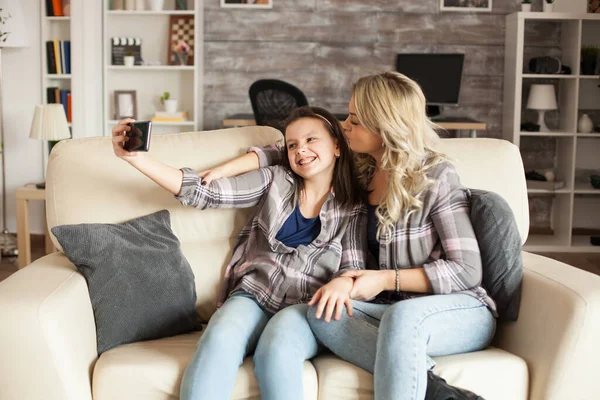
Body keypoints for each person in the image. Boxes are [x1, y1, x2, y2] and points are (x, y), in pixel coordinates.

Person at [208, 72, 495, 400]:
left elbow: (467, 270)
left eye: (355, 121)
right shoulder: (361, 170)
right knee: (321, 308)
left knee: (401, 320)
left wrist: (385, 279)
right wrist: (226, 169)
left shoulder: (436, 176)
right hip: (386, 310)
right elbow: (294, 149)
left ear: (383, 126)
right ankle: (437, 392)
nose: (345, 126)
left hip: (453, 310)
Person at [111, 106, 368, 400]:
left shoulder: (355, 207)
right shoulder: (275, 180)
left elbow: (354, 269)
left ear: (337, 145)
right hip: (255, 294)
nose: (301, 150)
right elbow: (203, 192)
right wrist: (136, 158)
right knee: (218, 340)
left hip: (306, 308)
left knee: (276, 351)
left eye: (312, 140)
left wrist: (344, 283)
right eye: (293, 144)